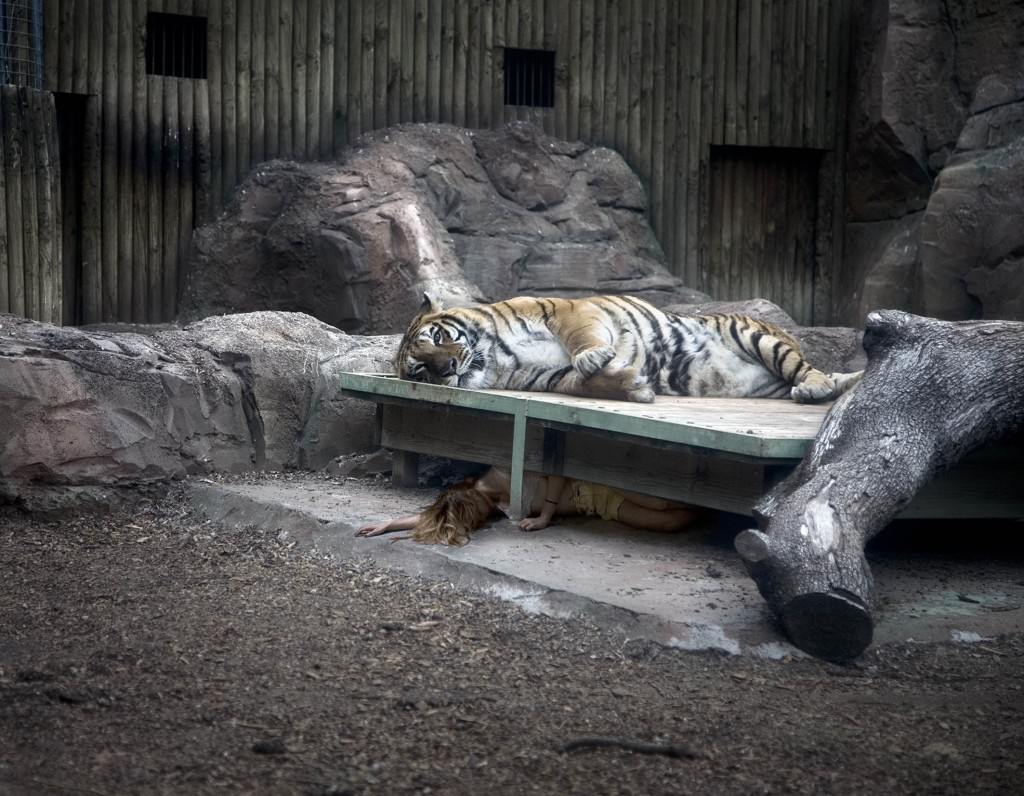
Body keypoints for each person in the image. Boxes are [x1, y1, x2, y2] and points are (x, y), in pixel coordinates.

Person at [355, 466, 697, 546]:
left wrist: (545, 516)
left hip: (595, 487)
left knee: (665, 502)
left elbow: (556, 470)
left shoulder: (501, 475)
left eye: (475, 517)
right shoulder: (480, 504)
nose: (482, 520)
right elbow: (437, 517)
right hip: (597, 506)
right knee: (670, 523)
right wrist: (388, 524)